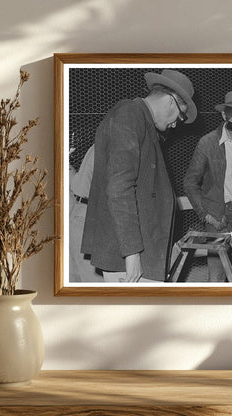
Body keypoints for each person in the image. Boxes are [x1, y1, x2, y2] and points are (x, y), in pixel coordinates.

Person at [81, 69, 197, 283]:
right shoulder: (129, 114)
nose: (176, 124)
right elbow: (119, 188)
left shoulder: (142, 121)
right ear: (171, 102)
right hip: (129, 257)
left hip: (141, 251)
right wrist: (132, 254)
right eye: (180, 116)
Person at [184, 91, 232, 282]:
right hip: (218, 216)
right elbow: (190, 182)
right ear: (223, 116)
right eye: (231, 126)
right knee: (217, 277)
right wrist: (205, 214)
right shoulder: (207, 143)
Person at [69, 145, 103, 282]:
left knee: (77, 279)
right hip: (89, 218)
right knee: (94, 283)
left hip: (78, 213)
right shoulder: (110, 144)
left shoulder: (96, 145)